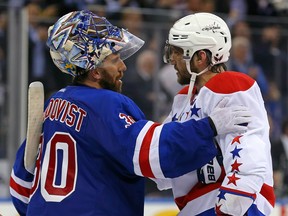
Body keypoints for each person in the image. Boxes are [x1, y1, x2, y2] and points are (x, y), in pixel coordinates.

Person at [9, 10, 251, 216]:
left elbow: (20, 190)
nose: (123, 66)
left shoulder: (54, 105)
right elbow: (153, 155)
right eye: (115, 59)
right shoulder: (106, 104)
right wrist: (208, 127)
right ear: (94, 72)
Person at [157, 12, 275, 215]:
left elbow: (247, 147)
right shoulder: (185, 97)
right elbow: (164, 159)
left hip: (228, 200)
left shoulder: (231, 85)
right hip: (199, 205)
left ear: (201, 57)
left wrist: (234, 201)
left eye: (178, 51)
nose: (172, 59)